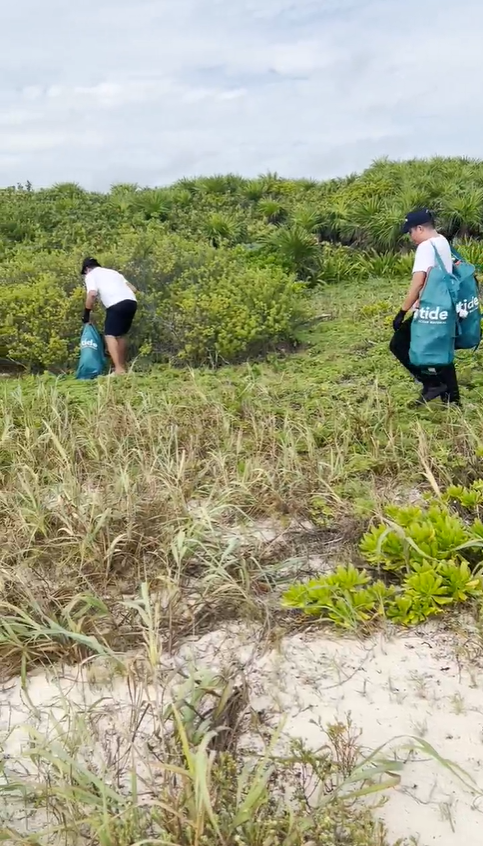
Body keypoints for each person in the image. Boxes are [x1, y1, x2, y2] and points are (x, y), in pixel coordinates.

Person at [390, 209, 460, 406]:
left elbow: (418, 282)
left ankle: (432, 383)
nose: (410, 237)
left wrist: (402, 312)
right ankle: (453, 400)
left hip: (429, 308)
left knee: (398, 343)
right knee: (441, 350)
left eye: (410, 232)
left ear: (420, 228)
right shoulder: (442, 241)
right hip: (445, 306)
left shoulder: (425, 247)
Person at [81, 258, 138, 375]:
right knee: (120, 335)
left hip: (116, 304)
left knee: (110, 336)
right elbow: (133, 289)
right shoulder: (113, 272)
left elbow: (92, 294)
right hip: (131, 302)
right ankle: (122, 368)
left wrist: (86, 314)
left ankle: (118, 370)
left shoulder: (91, 275)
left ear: (87, 269)